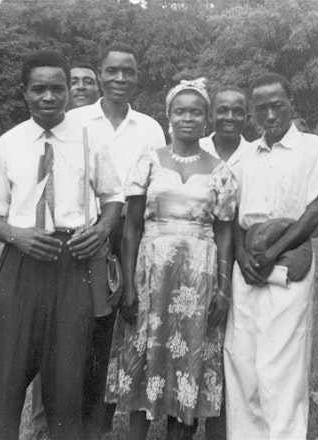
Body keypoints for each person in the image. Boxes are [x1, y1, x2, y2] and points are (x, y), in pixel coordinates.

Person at [0, 50, 123, 440]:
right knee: (7, 378)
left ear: (67, 92)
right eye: (38, 89)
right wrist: (17, 235)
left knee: (67, 381)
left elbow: (114, 198)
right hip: (21, 264)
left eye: (57, 89)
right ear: (24, 93)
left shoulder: (90, 140)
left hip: (71, 263)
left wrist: (102, 228)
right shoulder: (8, 144)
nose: (48, 97)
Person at [105, 79, 237, 440]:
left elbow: (225, 232)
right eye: (181, 111)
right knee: (144, 357)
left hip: (198, 277)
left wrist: (223, 289)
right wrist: (129, 285)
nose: (188, 118)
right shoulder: (148, 162)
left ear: (206, 119)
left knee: (186, 361)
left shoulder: (220, 171)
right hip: (152, 274)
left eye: (196, 112)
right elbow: (131, 228)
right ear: (169, 116)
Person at [224, 72, 318, 440]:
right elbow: (234, 214)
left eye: (278, 106)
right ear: (253, 113)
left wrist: (274, 251)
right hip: (249, 267)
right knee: (242, 360)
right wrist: (242, 255)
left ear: (292, 103)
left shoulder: (312, 148)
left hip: (289, 260)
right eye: (261, 109)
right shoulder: (247, 156)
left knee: (281, 363)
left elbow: (316, 211)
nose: (270, 115)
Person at [66, 42, 166, 437]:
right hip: (84, 235)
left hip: (131, 234)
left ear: (138, 76)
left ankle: (100, 421)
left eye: (129, 71)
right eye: (113, 71)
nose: (121, 79)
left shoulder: (150, 127)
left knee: (119, 328)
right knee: (76, 328)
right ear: (100, 73)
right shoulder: (75, 121)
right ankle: (62, 417)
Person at [30, 59, 103, 440]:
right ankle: (43, 419)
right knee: (43, 331)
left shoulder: (92, 134)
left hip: (90, 241)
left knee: (84, 334)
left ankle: (81, 418)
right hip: (44, 243)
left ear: (97, 87)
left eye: (87, 81)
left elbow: (111, 191)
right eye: (71, 81)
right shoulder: (36, 132)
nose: (79, 87)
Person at [198, 85, 250, 440]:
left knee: (229, 350)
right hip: (197, 262)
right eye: (222, 110)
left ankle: (221, 429)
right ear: (211, 114)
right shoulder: (194, 149)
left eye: (237, 110)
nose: (229, 117)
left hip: (242, 261)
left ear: (246, 115)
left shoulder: (257, 153)